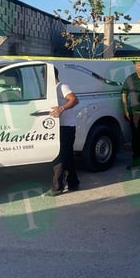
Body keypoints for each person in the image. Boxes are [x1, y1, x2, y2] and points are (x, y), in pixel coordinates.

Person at [49, 67, 79, 196]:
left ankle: (57, 187)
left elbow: (74, 99)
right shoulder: (52, 89)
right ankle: (73, 183)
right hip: (60, 126)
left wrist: (61, 108)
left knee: (59, 157)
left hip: (66, 126)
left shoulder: (62, 86)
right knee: (67, 157)